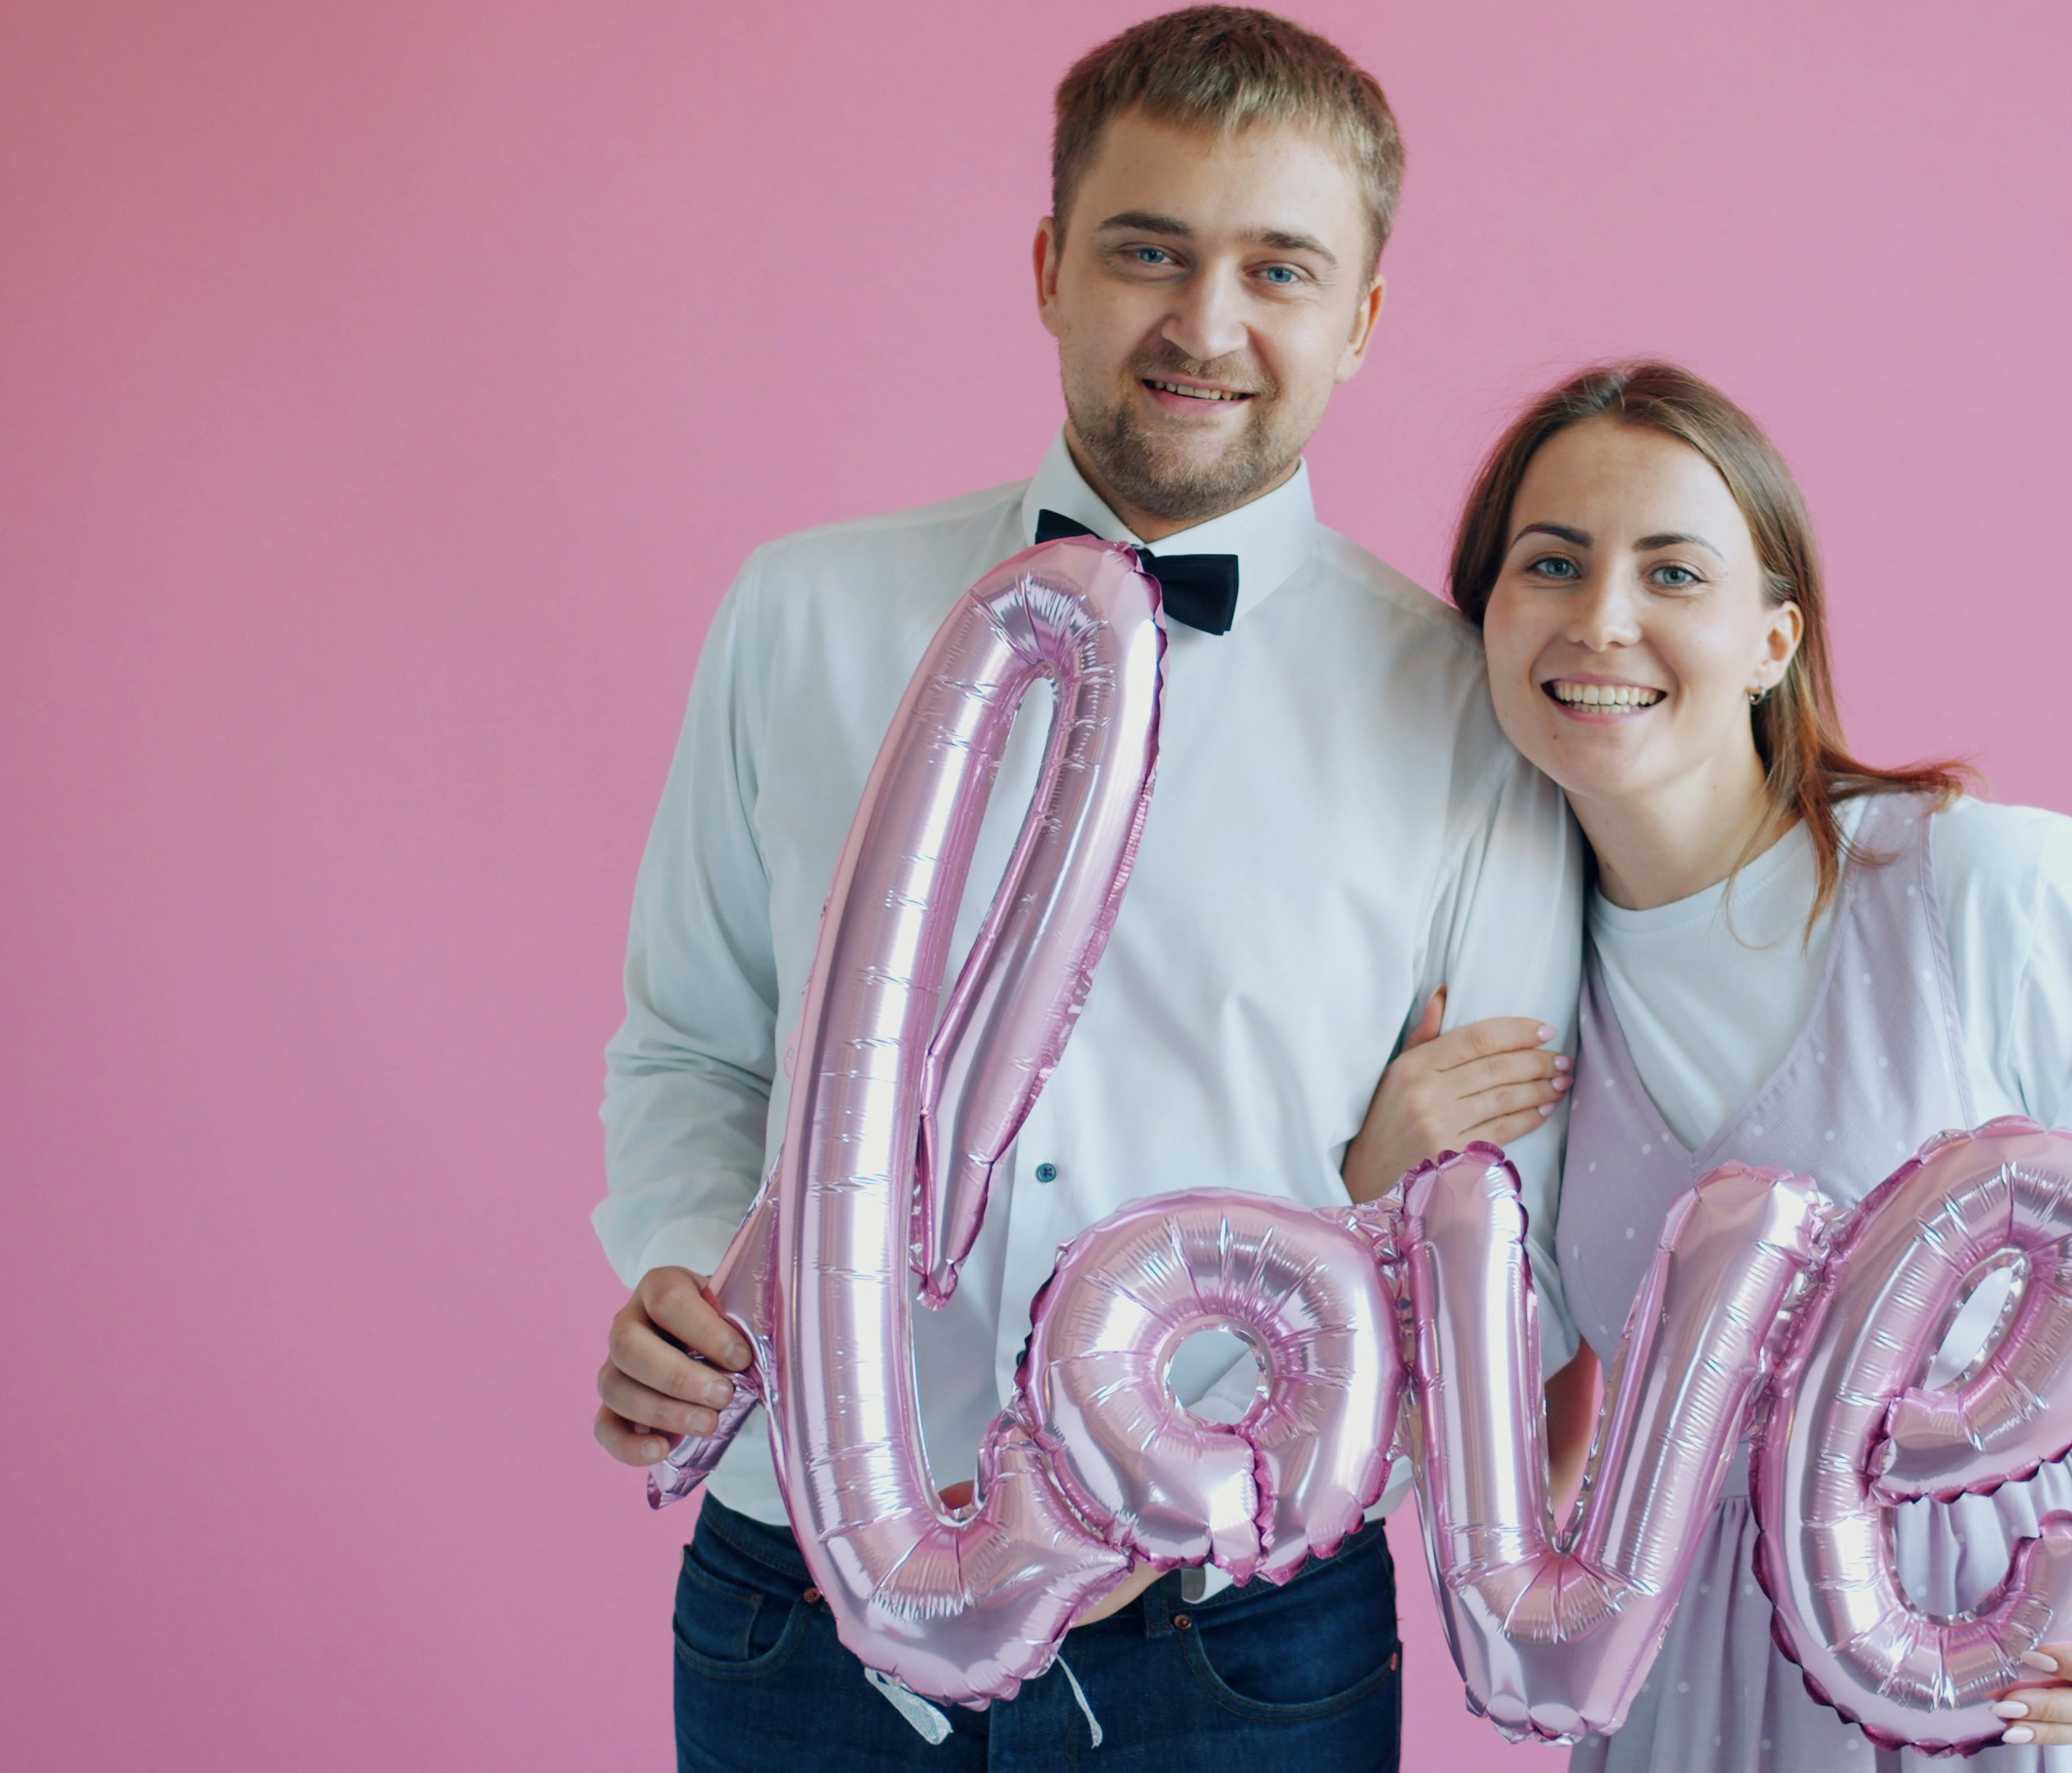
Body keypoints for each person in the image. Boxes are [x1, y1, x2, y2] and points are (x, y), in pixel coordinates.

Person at [588, 12, 1587, 1769]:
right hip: (794, 1602)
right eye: (1149, 251)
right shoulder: (801, 617)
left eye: (1279, 269)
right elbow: (689, 1051)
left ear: (1358, 321)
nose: (1206, 326)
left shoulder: (1465, 711)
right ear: (1051, 269)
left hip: (1236, 1638)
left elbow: (1499, 1239)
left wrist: (1201, 1472)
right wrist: (679, 1272)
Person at [1380, 360, 2072, 1769]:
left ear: (1773, 639)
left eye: (1674, 572)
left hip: (2013, 1656)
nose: (1603, 619)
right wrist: (1383, 1176)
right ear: (1488, 622)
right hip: (1697, 1696)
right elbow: (1530, 1436)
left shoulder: (1971, 885)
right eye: (1550, 562)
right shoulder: (1503, 990)